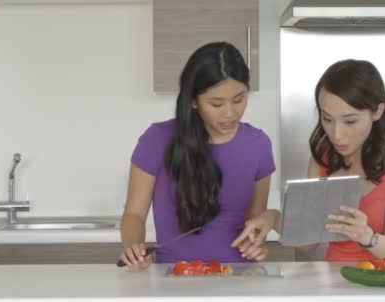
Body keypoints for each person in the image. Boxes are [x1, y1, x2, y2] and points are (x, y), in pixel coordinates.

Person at [237, 59, 385, 261]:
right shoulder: (323, 156)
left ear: (377, 111)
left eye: (350, 121)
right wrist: (273, 217)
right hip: (337, 285)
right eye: (327, 119)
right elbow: (308, 242)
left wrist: (366, 235)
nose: (336, 134)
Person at [119, 42, 277, 271]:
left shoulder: (259, 144)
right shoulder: (156, 139)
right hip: (176, 277)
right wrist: (134, 247)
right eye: (216, 103)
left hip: (239, 276)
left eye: (239, 99)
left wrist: (257, 243)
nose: (230, 113)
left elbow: (254, 221)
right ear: (193, 101)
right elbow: (134, 214)